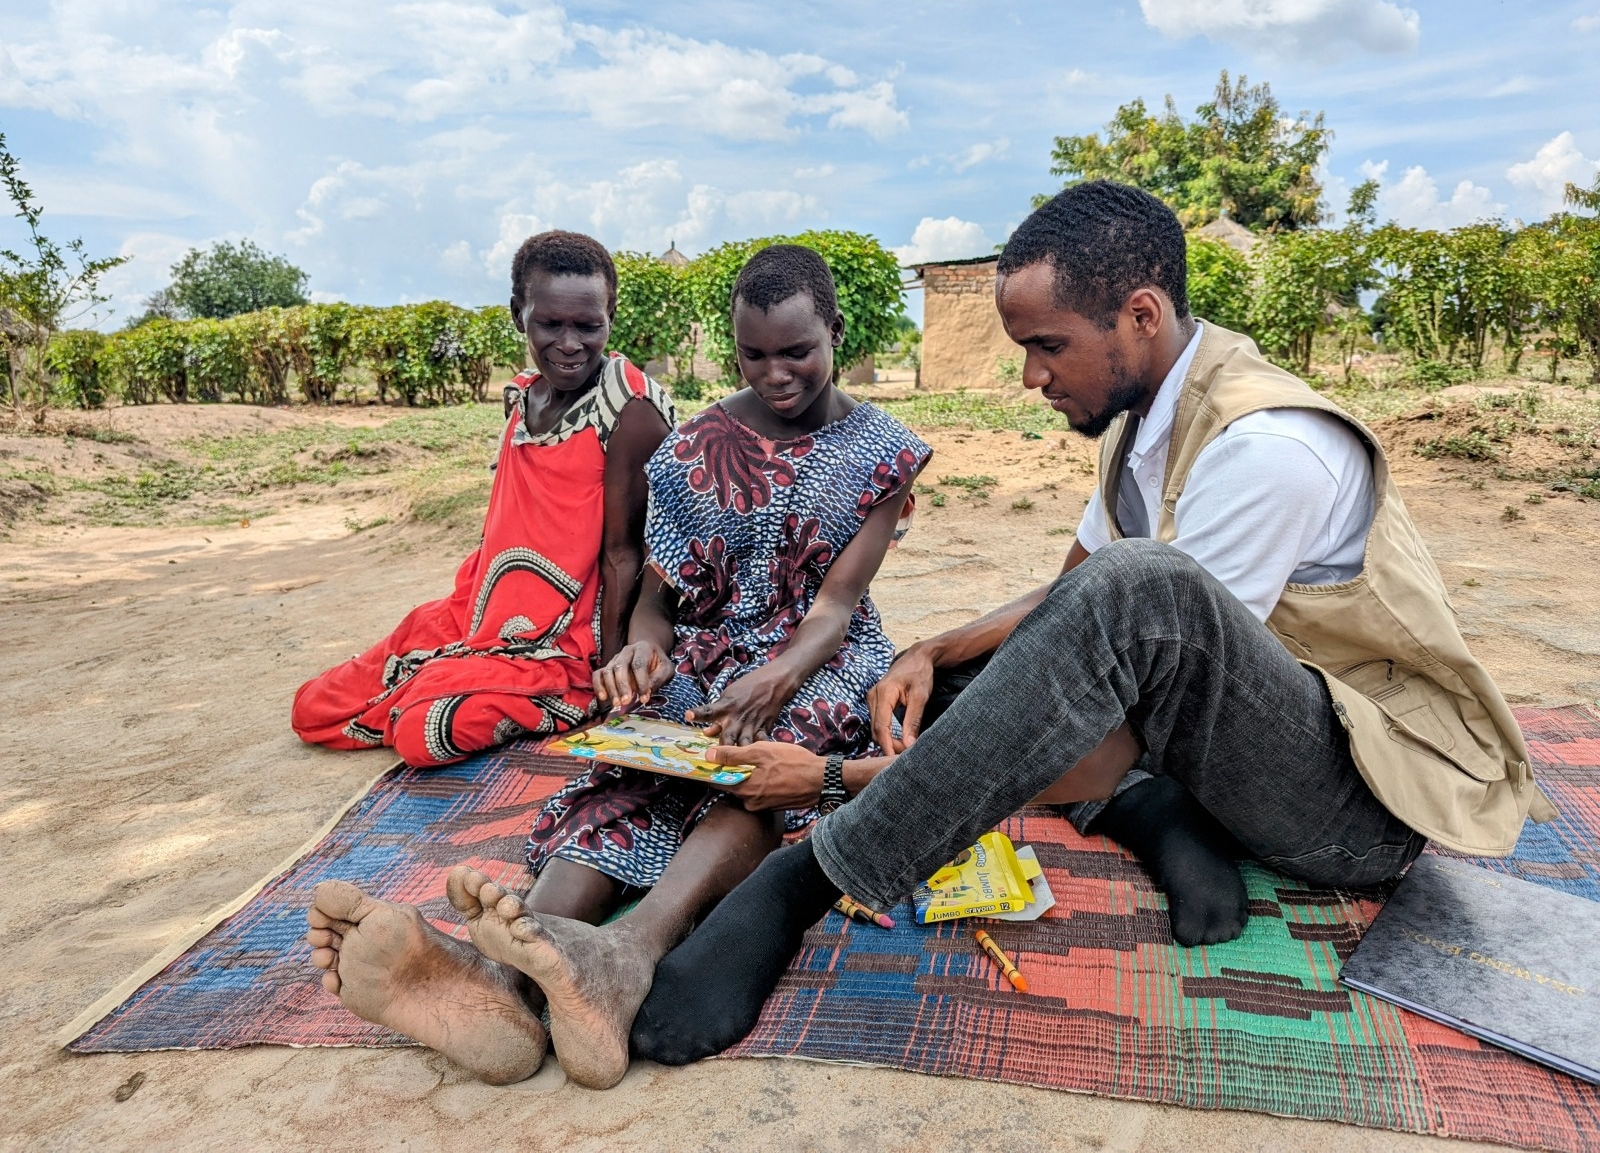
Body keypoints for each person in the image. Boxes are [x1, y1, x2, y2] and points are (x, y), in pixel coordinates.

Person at [623, 180, 1558, 1067]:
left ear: (1140, 317)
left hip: (1365, 803)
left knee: (1134, 597)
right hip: (1243, 733)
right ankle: (1155, 811)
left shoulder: (1267, 449)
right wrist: (933, 650)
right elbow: (1065, 602)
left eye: (1047, 345)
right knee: (971, 679)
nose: (1030, 375)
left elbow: (1099, 727)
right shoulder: (1141, 411)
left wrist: (832, 778)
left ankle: (801, 888)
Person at [305, 244, 930, 1089]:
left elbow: (834, 607)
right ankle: (504, 978)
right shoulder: (699, 444)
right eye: (755, 354)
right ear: (734, 346)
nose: (776, 372)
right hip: (708, 645)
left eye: (798, 351)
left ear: (837, 333)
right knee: (633, 762)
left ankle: (628, 953)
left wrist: (777, 676)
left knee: (757, 766)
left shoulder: (883, 451)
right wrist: (643, 647)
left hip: (816, 653)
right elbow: (656, 599)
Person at [289, 231, 673, 768]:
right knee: (313, 709)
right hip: (479, 614)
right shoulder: (521, 397)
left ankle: (522, 694)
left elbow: (625, 554)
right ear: (519, 313)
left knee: (424, 732)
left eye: (588, 325)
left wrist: (605, 682)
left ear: (610, 314)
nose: (569, 343)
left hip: (566, 644)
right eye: (550, 324)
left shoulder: (628, 406)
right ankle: (447, 675)